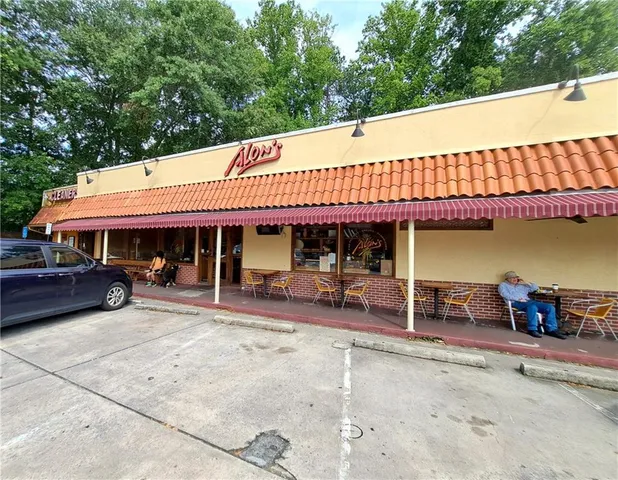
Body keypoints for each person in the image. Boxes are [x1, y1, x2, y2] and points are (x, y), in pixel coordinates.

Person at [498, 271, 567, 339]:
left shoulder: (521, 285)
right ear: (507, 279)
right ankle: (532, 329)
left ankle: (551, 329)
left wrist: (527, 282)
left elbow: (535, 288)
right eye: (512, 278)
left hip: (529, 301)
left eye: (516, 277)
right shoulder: (503, 285)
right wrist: (518, 299)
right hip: (516, 303)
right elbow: (504, 294)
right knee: (532, 307)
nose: (515, 279)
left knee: (550, 307)